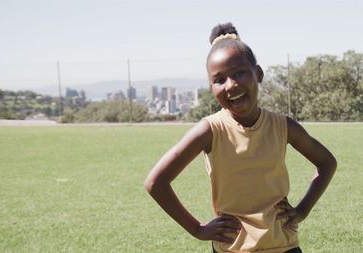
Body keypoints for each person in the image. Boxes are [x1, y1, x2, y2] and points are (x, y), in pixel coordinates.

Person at [144, 22, 337, 253]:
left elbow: (327, 163)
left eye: (239, 73)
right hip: (233, 248)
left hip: (284, 246)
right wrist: (197, 229)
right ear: (210, 86)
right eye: (219, 79)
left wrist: (302, 210)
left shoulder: (282, 126)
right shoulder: (210, 130)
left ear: (258, 74)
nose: (231, 85)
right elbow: (156, 182)